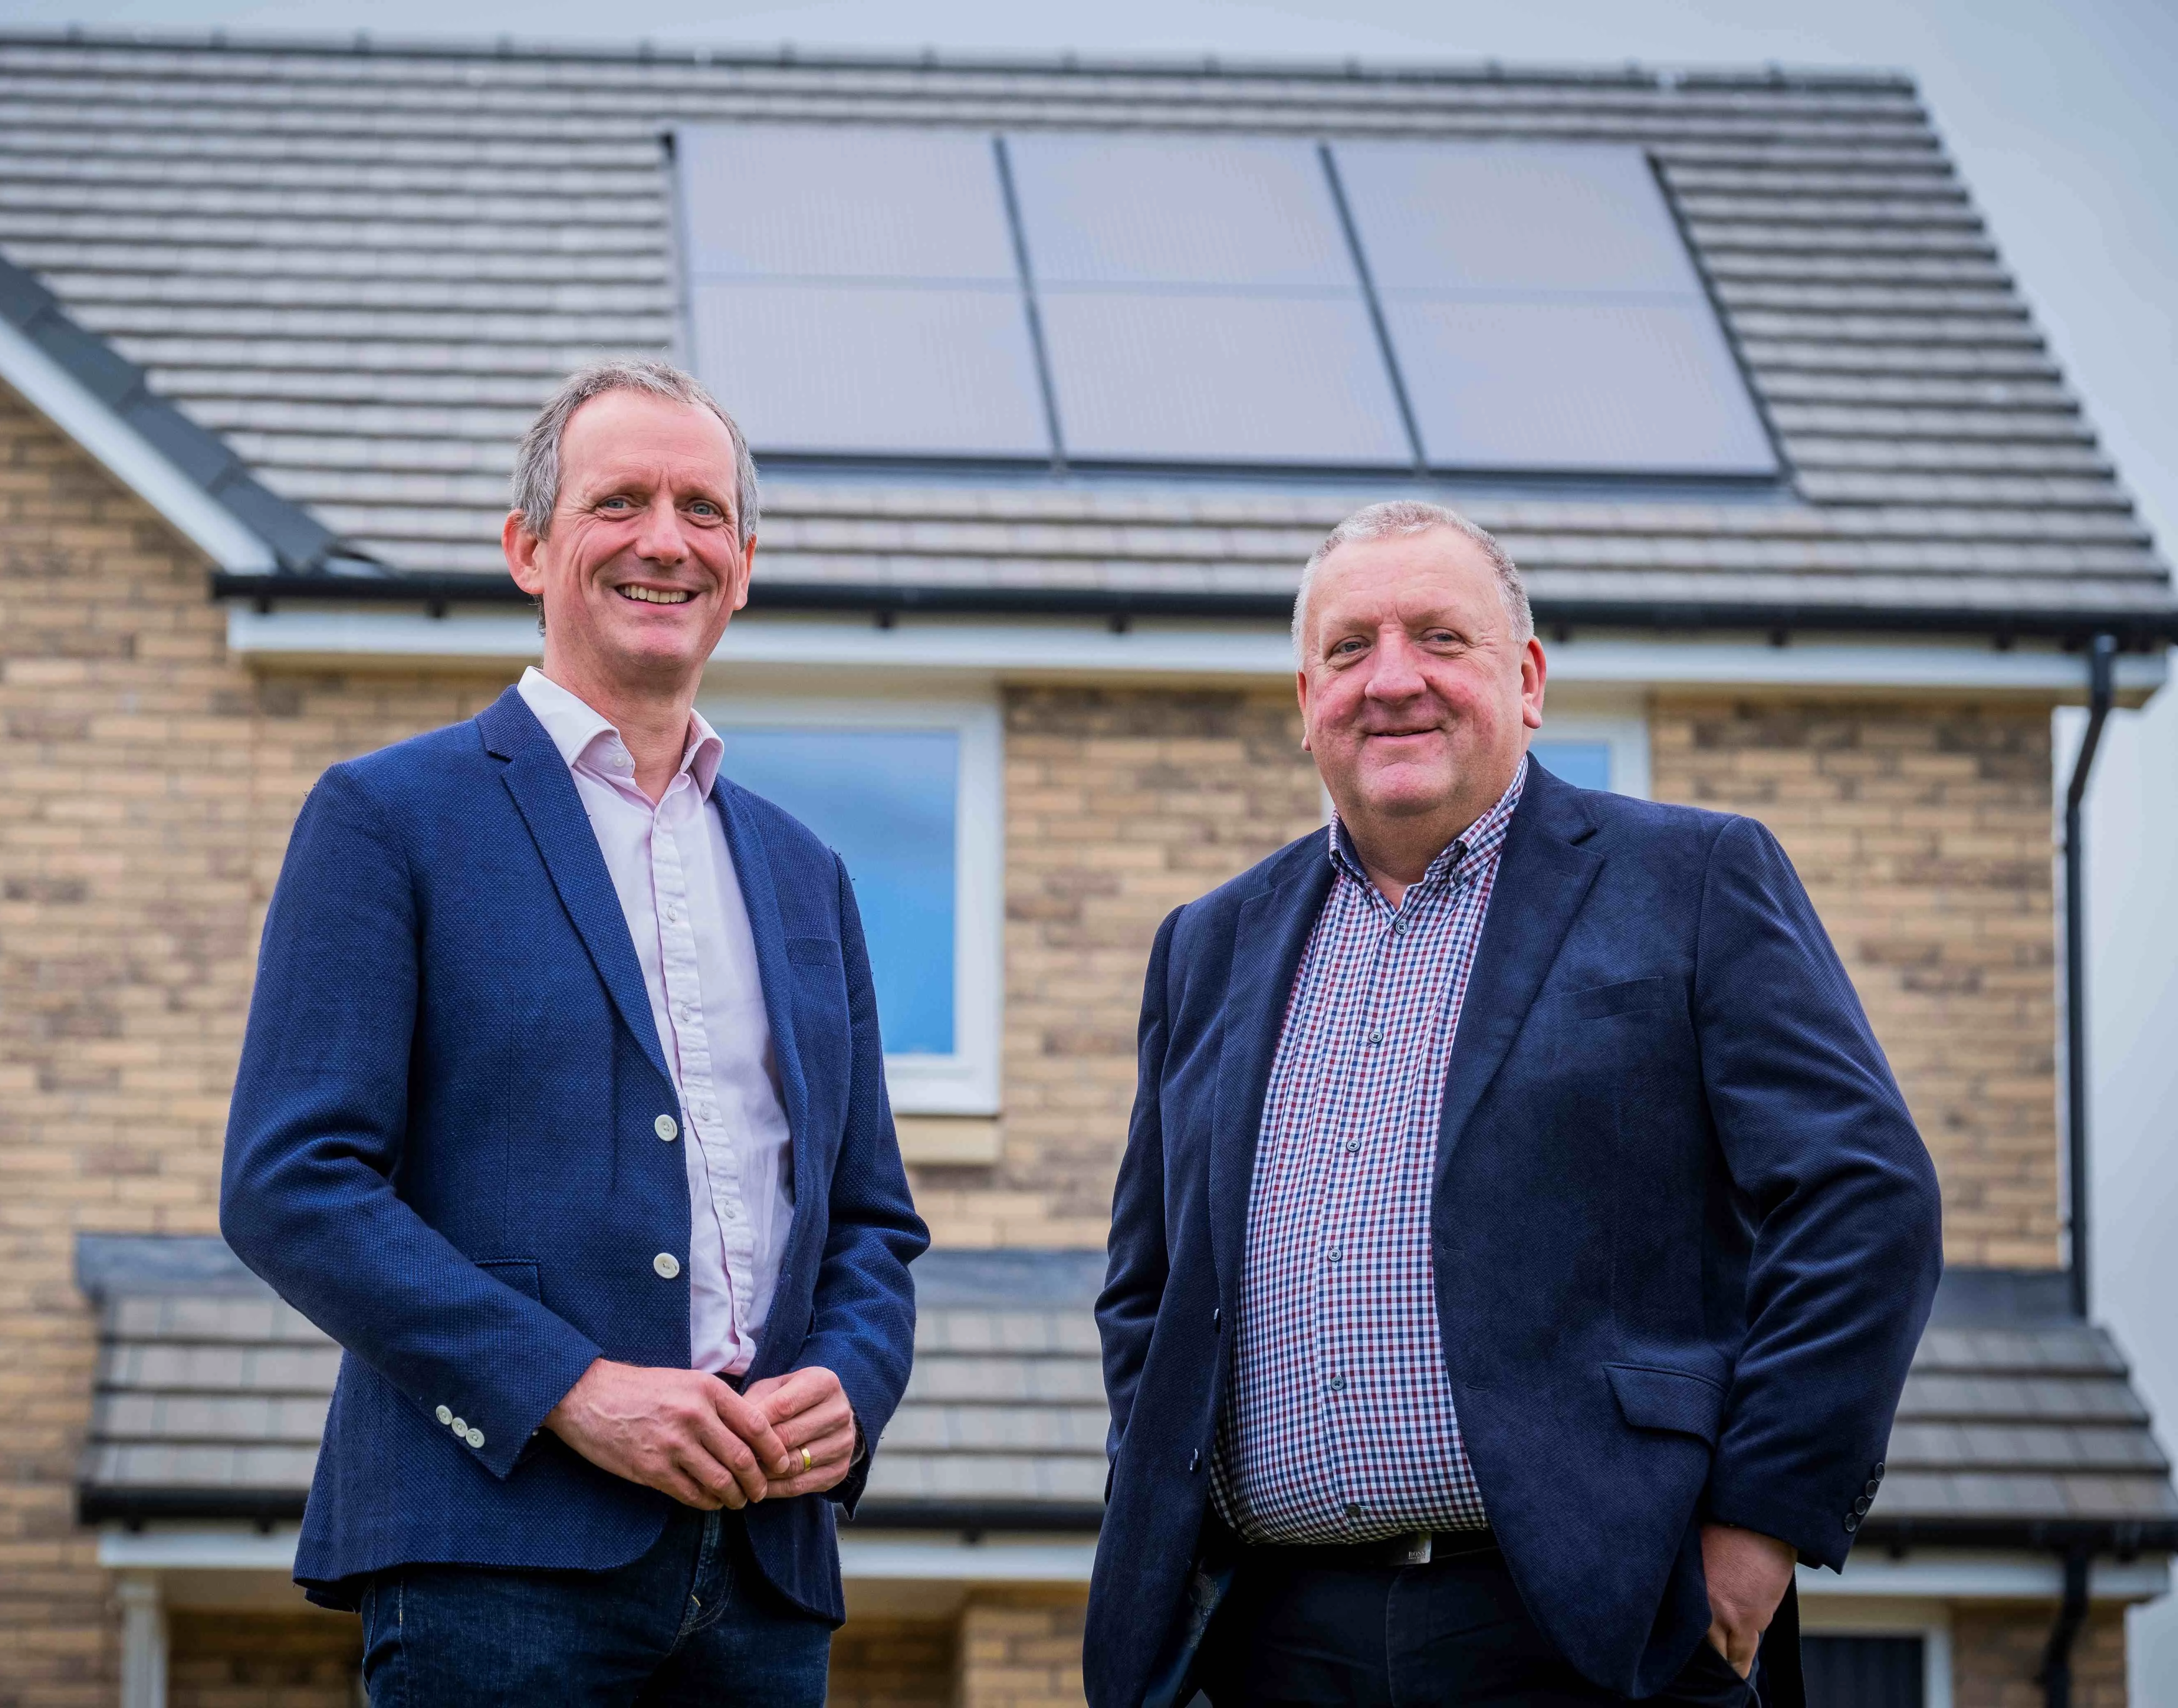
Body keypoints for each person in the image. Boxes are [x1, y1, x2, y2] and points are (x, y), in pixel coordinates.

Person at [1086, 500, 1942, 1708]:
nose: (1392, 681)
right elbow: (1151, 1291)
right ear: (1304, 702)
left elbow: (1866, 1199)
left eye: (1441, 639)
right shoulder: (1208, 946)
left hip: (1593, 1631)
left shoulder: (1690, 882)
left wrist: (1760, 1527)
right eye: (1349, 649)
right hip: (1269, 1640)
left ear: (1528, 679)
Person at [220, 358, 927, 1706]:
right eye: (621, 502)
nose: (667, 540)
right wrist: (573, 1388)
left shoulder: (806, 873)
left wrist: (852, 1382)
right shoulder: (389, 818)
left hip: (768, 1573)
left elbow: (871, 1221)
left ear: (745, 563)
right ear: (527, 549)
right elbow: (289, 1186)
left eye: (703, 511)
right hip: (495, 1560)